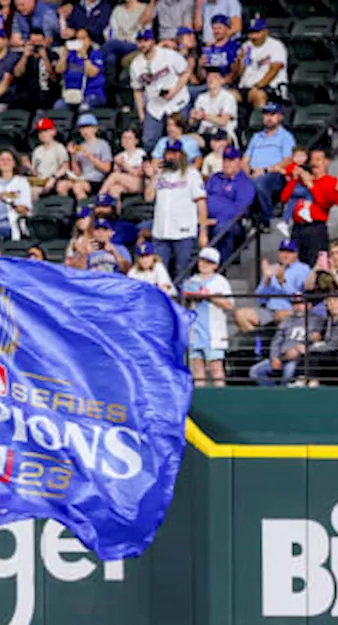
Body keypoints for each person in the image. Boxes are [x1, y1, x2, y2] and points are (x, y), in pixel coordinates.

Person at [147, 138, 208, 281]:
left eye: (174, 153)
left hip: (183, 232)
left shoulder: (192, 174)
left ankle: (182, 302)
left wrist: (203, 231)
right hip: (161, 231)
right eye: (168, 153)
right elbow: (148, 197)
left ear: (181, 155)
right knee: (159, 273)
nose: (171, 157)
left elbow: (201, 204)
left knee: (182, 272)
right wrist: (155, 175)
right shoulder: (160, 175)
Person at [130, 27, 190, 150]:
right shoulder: (136, 65)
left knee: (180, 139)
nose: (142, 44)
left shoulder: (168, 55)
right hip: (155, 105)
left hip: (177, 101)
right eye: (140, 41)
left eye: (145, 41)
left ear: (152, 41)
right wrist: (142, 114)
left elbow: (186, 71)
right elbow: (137, 90)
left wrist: (175, 90)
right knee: (149, 141)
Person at [181, 247, 232, 387]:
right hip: (195, 330)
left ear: (215, 265)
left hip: (214, 332)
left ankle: (222, 398)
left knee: (216, 368)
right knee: (197, 368)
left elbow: (229, 304)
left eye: (209, 262)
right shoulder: (191, 281)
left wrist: (210, 296)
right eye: (202, 261)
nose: (204, 265)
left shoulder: (220, 282)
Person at [280, 148, 336, 267]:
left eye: (318, 159)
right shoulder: (301, 180)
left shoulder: (330, 181)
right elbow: (284, 198)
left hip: (315, 229)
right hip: (297, 227)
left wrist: (310, 184)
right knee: (293, 265)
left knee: (316, 265)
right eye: (312, 159)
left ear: (327, 162)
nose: (314, 163)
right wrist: (294, 180)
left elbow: (325, 203)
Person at [242, 102, 295, 226]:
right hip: (253, 172)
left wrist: (265, 170)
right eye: (266, 114)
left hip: (274, 173)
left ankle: (266, 218)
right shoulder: (256, 137)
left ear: (280, 117)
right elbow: (245, 160)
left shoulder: (285, 137)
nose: (269, 118)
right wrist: (247, 172)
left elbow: (288, 160)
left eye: (273, 114)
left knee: (259, 183)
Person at [249, 294, 320, 386]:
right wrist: (274, 357)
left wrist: (302, 348)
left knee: (288, 374)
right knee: (255, 371)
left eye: (301, 303)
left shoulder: (317, 320)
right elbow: (276, 341)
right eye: (294, 304)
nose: (297, 307)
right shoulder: (286, 320)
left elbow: (317, 339)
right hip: (281, 357)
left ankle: (284, 397)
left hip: (299, 359)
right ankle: (273, 395)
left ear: (309, 305)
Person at [235, 16, 287, 110]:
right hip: (246, 87)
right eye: (251, 33)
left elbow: (274, 69)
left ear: (265, 32)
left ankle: (259, 123)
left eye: (257, 32)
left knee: (257, 95)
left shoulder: (275, 46)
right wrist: (239, 61)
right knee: (227, 96)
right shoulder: (246, 46)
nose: (253, 36)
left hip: (270, 87)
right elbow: (239, 73)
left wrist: (258, 86)